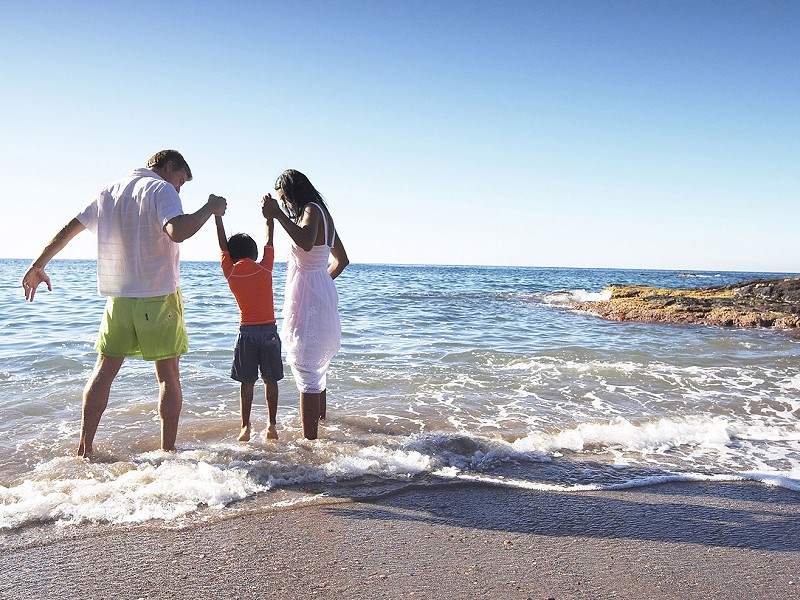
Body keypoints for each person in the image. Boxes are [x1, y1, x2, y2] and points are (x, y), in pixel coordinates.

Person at [21, 150, 226, 456]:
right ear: (169, 167)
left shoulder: (109, 191)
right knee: (168, 374)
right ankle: (168, 453)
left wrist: (38, 264)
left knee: (104, 371)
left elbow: (69, 230)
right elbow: (178, 231)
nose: (180, 188)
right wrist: (209, 208)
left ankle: (84, 448)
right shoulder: (161, 189)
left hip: (119, 298)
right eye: (181, 180)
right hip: (158, 296)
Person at [261, 169, 349, 440]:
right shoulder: (325, 214)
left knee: (308, 367)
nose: (285, 204)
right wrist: (320, 281)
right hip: (318, 293)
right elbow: (341, 260)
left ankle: (310, 444)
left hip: (309, 299)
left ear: (292, 193)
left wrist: (277, 215)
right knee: (317, 366)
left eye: (284, 198)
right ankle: (320, 429)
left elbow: (306, 242)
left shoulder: (311, 209)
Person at [214, 211, 283, 442]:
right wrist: (270, 218)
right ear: (254, 253)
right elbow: (270, 241)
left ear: (232, 256)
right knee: (270, 380)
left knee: (247, 382)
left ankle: (245, 426)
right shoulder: (266, 268)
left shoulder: (230, 272)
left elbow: (222, 245)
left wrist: (217, 217)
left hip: (247, 333)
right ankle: (272, 425)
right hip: (270, 331)